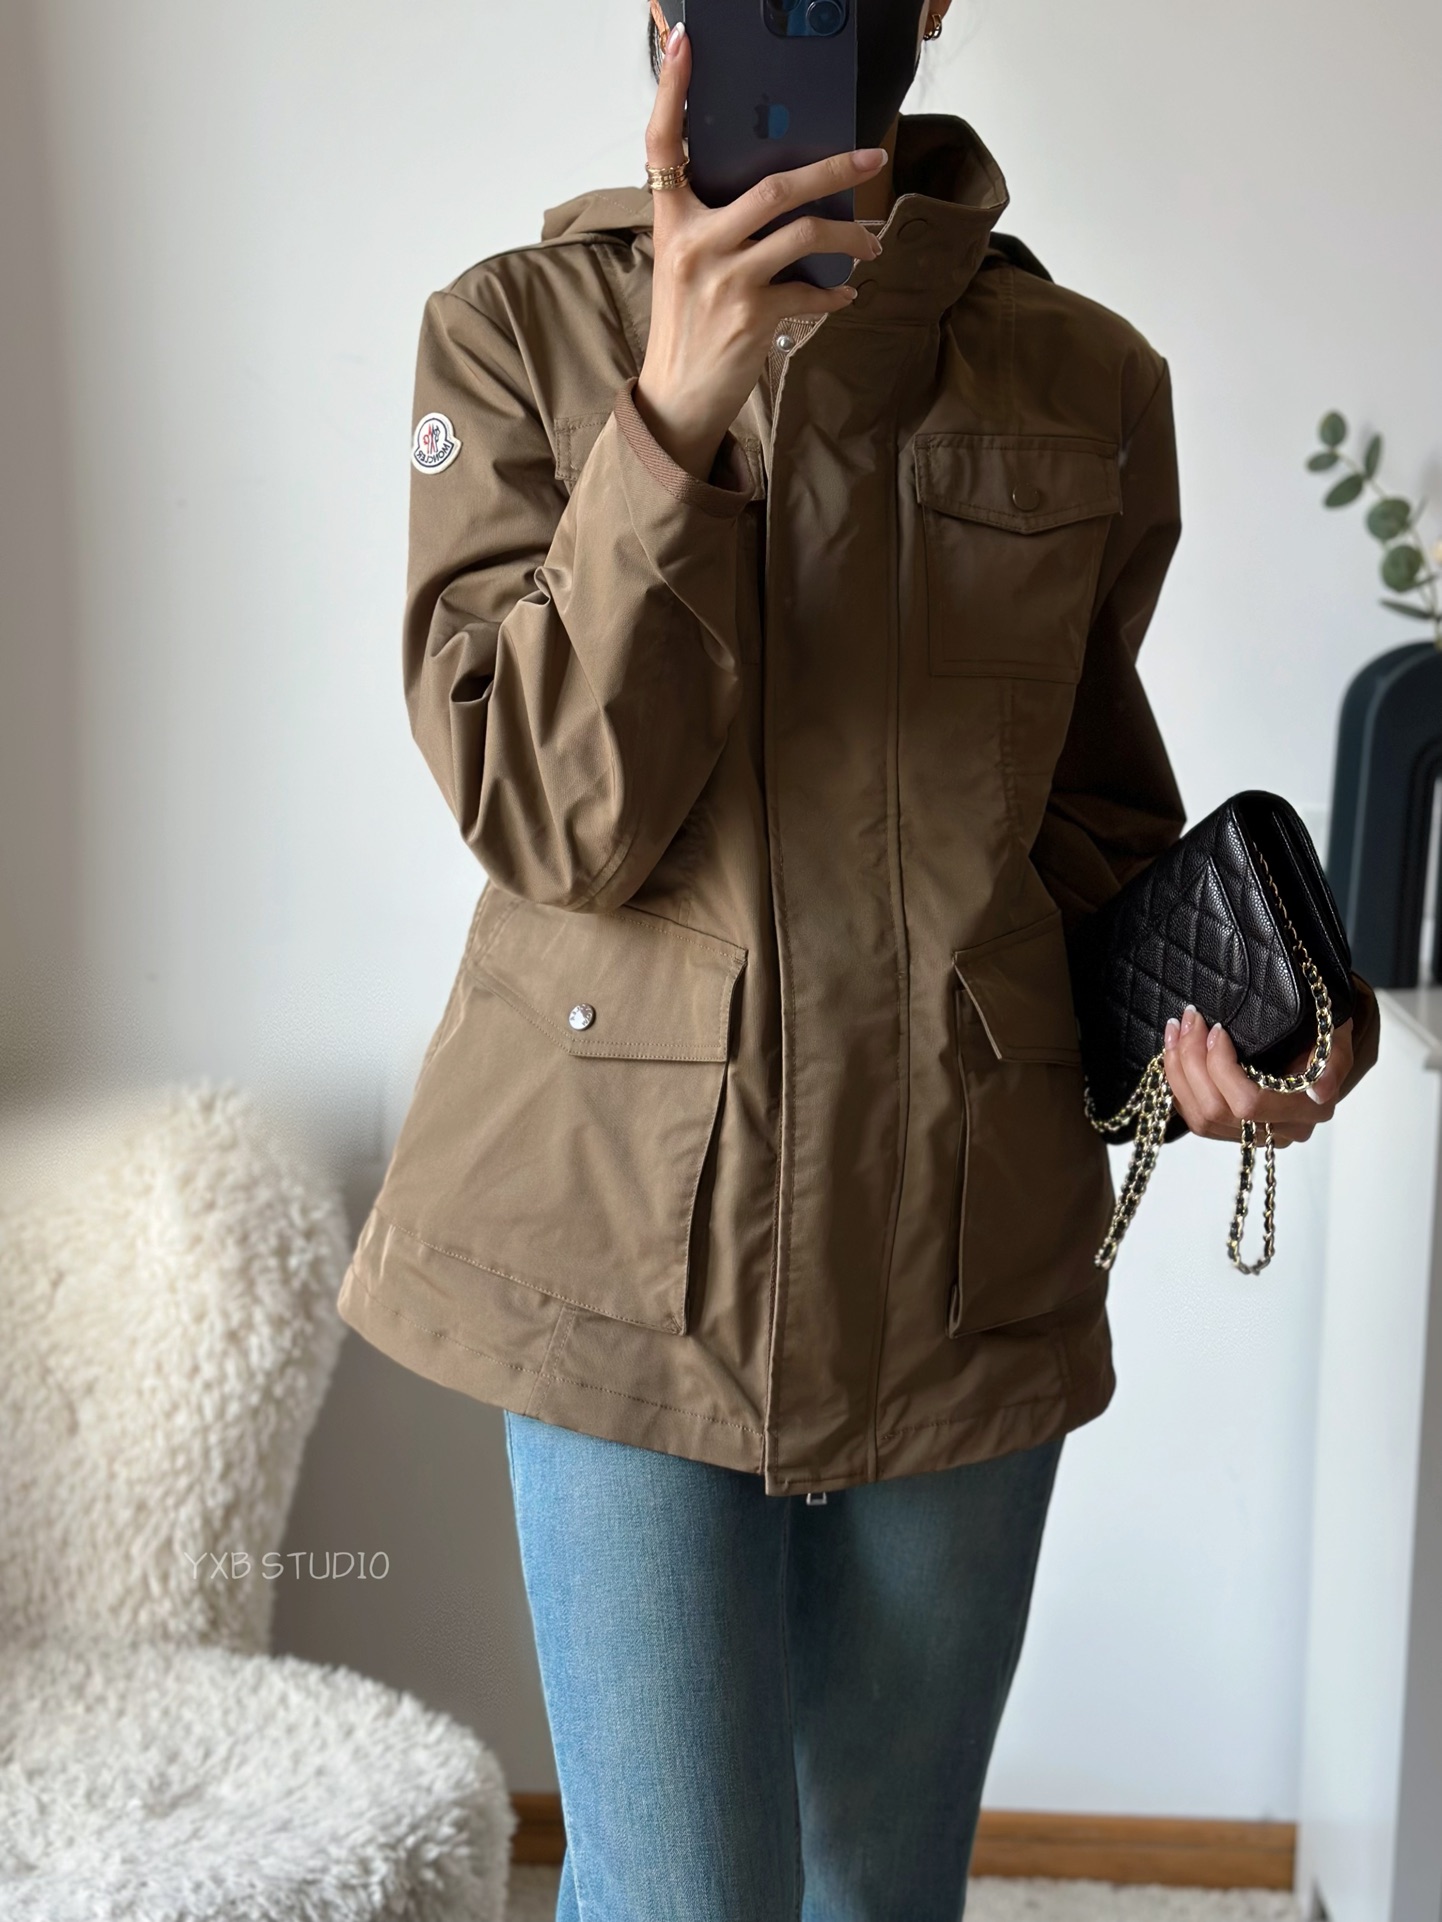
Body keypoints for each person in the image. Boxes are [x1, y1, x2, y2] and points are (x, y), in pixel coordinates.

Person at [337, 3, 1378, 1915]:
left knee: (881, 1889)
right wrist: (668, 418)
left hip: (956, 1244)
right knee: (680, 1893)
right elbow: (542, 814)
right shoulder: (512, 333)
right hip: (614, 1242)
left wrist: (1232, 1039)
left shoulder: (1082, 375)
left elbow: (1080, 831)